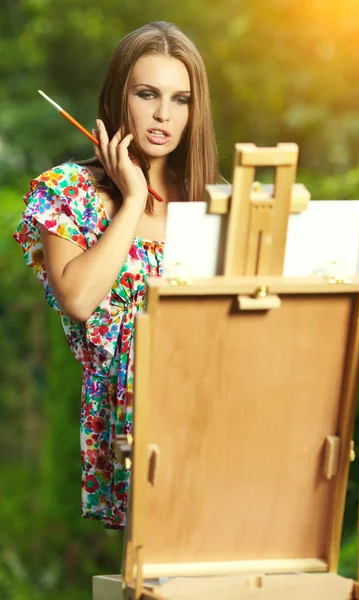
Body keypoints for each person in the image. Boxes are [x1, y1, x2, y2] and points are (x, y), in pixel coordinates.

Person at [14, 21, 219, 529]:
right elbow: (80, 300)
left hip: (213, 405)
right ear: (117, 96)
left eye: (180, 99)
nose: (163, 115)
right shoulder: (69, 192)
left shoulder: (210, 198)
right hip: (131, 422)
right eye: (147, 94)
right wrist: (131, 200)